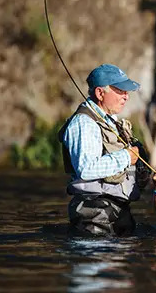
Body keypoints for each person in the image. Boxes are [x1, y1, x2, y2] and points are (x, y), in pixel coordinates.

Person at [59, 63, 150, 236]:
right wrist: (126, 157)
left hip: (115, 208)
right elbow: (86, 169)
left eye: (127, 92)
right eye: (120, 91)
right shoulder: (84, 123)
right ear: (100, 93)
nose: (126, 97)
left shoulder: (110, 121)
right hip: (93, 210)